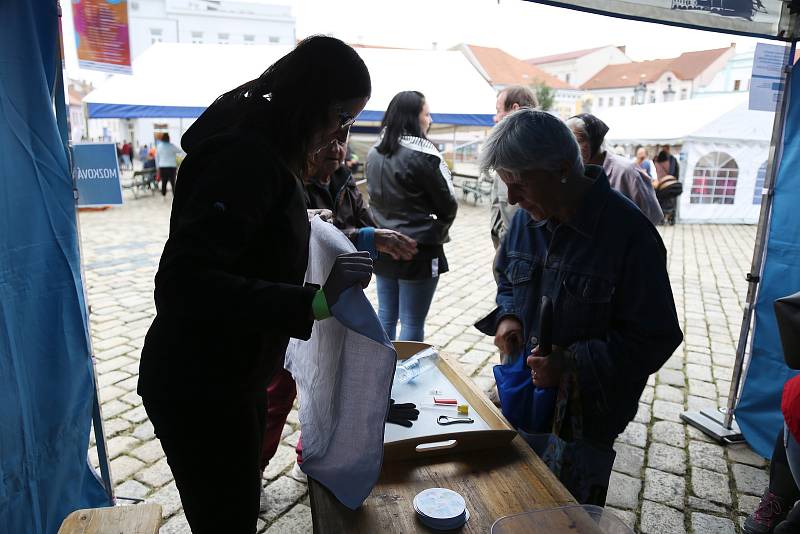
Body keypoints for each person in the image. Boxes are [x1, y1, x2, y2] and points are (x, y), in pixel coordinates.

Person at [137, 36, 373, 534]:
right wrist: (314, 300)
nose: (340, 133)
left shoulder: (263, 148)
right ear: (314, 104)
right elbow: (183, 283)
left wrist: (301, 224)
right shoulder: (244, 155)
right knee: (227, 520)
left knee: (232, 512)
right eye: (342, 119)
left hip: (228, 375)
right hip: (200, 385)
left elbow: (244, 237)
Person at [476, 109, 682, 505]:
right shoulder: (524, 220)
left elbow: (655, 337)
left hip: (588, 416)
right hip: (524, 395)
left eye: (519, 183)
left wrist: (571, 363)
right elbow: (506, 278)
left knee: (567, 515)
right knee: (511, 501)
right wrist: (508, 315)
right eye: (507, 186)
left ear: (563, 168)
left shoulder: (629, 234)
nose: (513, 199)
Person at [259, 137, 417, 480]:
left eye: (341, 140)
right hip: (297, 303)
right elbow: (301, 235)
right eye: (327, 140)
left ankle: (310, 454)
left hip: (338, 304)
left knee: (327, 383)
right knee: (280, 390)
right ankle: (255, 469)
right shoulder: (288, 183)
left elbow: (362, 221)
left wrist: (372, 235)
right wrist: (367, 237)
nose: (336, 148)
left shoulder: (343, 179)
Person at [367, 91, 458, 341]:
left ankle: (382, 373)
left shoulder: (374, 152)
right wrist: (433, 229)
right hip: (418, 250)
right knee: (412, 322)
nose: (430, 120)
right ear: (412, 118)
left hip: (384, 245)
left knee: (385, 314)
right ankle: (406, 375)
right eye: (426, 114)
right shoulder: (424, 155)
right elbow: (448, 205)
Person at [566, 114, 663, 226]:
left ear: (595, 142)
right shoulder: (572, 172)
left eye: (578, 140)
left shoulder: (627, 171)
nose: (571, 147)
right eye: (568, 140)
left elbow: (653, 215)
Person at [489, 85, 538, 250]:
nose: (495, 118)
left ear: (514, 109)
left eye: (498, 111)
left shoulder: (534, 155)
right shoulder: (505, 150)